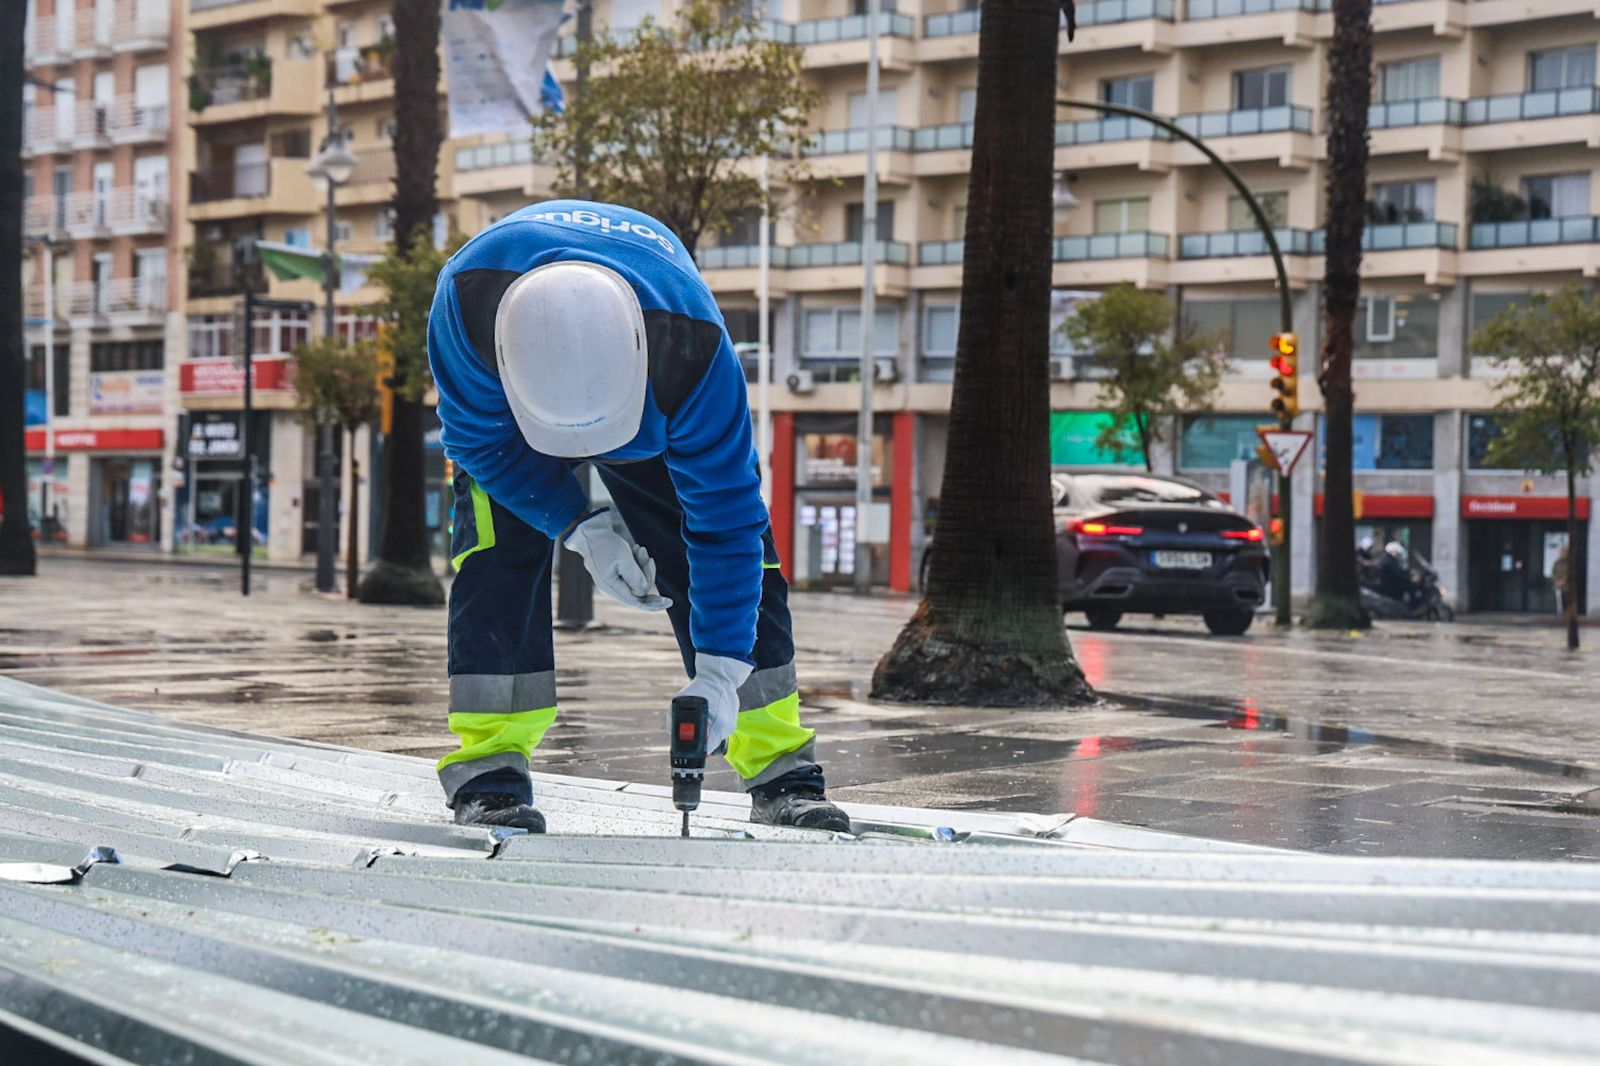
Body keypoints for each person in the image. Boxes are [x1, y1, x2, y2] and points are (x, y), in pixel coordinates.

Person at [427, 199, 850, 834]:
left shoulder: (695, 352)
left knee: (743, 562)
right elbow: (478, 446)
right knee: (491, 554)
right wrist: (576, 524)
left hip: (653, 408)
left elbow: (727, 523)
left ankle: (781, 771)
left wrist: (721, 670)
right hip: (509, 429)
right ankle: (489, 774)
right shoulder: (467, 306)